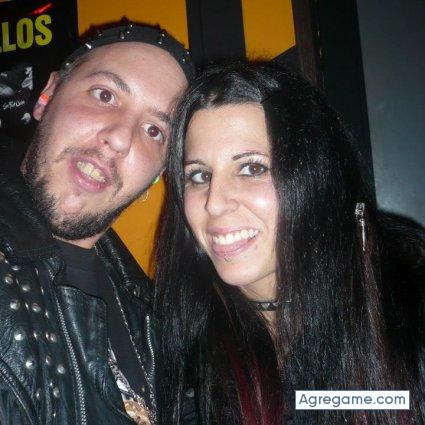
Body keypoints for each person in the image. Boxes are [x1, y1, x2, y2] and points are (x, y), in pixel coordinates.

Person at [154, 61, 424, 424]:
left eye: (252, 168)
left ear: (313, 175)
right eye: (199, 175)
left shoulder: (407, 300)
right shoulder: (181, 341)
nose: (214, 202)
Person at [0, 23, 193, 424]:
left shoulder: (151, 312)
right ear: (47, 96)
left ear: (158, 175)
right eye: (105, 95)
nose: (120, 139)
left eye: (154, 130)